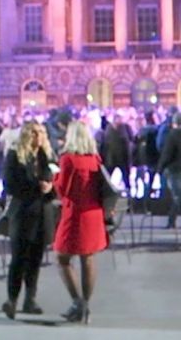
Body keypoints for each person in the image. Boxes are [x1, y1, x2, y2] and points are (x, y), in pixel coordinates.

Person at [52, 121, 108, 324]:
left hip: (74, 214)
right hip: (94, 214)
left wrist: (55, 175)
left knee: (62, 258)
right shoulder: (95, 159)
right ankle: (85, 306)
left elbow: (62, 190)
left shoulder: (68, 160)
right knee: (88, 259)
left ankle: (78, 303)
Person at [1, 122, 55, 320]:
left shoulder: (46, 156)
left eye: (41, 132)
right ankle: (11, 300)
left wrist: (50, 189)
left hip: (42, 213)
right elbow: (9, 184)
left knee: (35, 260)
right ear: (26, 135)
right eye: (34, 133)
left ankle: (30, 299)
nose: (38, 137)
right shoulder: (15, 156)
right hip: (23, 213)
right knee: (18, 259)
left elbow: (55, 181)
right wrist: (35, 187)